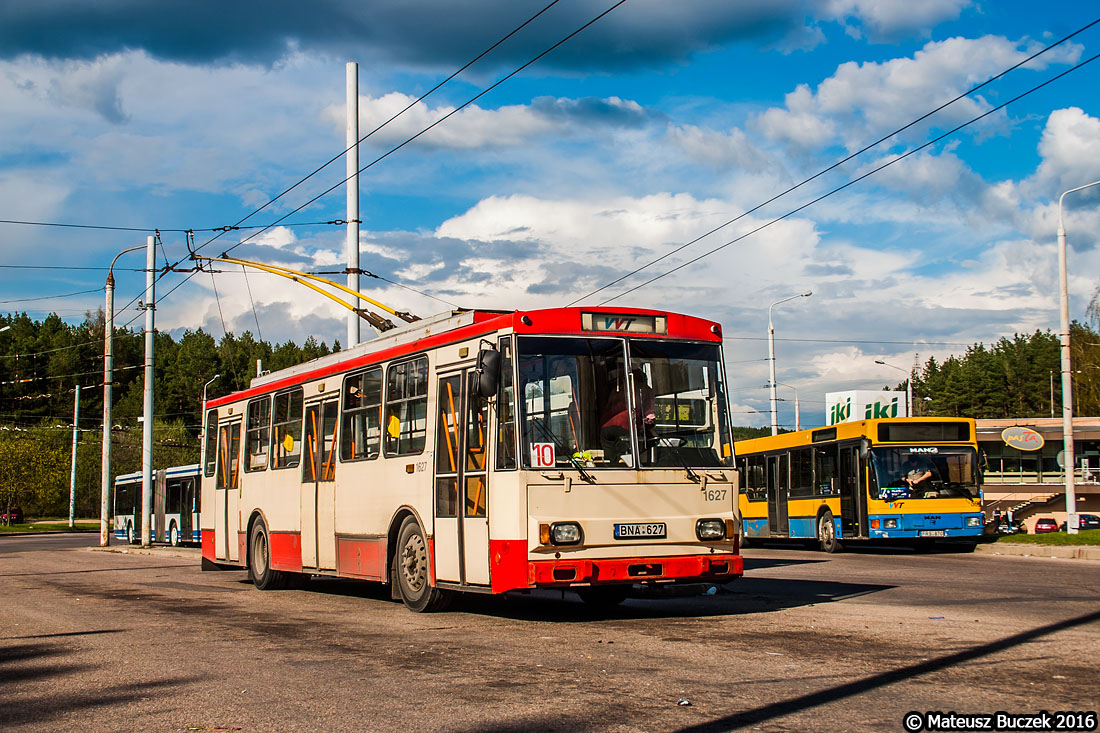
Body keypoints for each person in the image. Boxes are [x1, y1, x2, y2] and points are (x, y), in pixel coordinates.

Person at [599, 368, 656, 460]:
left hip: (606, 428)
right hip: (626, 427)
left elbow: (608, 407)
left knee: (611, 459)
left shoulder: (617, 389)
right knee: (638, 454)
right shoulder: (645, 389)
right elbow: (649, 415)